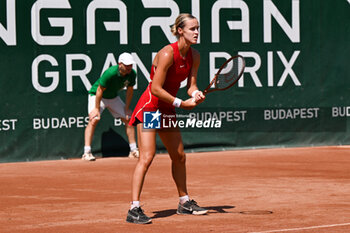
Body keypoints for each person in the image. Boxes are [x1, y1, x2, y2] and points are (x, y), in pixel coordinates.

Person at [125, 14, 207, 224]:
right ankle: (134, 208)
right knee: (147, 156)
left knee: (179, 156)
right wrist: (181, 103)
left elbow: (191, 85)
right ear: (180, 30)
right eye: (192, 29)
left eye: (198, 28)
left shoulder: (194, 56)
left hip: (167, 109)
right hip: (152, 108)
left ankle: (184, 202)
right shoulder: (167, 54)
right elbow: (155, 88)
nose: (196, 32)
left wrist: (195, 94)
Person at [82, 53, 139, 161]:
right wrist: (97, 109)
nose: (129, 68)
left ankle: (133, 150)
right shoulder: (110, 73)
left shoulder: (132, 74)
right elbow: (99, 90)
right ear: (120, 64)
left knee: (129, 119)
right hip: (97, 95)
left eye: (130, 65)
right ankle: (86, 152)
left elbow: (130, 91)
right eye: (126, 65)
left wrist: (127, 108)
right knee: (94, 119)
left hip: (113, 97)